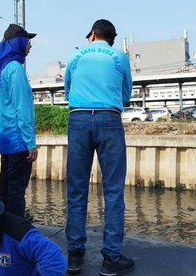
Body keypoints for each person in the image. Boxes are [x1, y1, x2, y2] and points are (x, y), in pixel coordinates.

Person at [64, 19, 134, 275]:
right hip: (109, 119)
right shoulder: (120, 57)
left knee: (76, 189)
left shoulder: (74, 56)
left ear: (92, 34)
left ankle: (74, 256)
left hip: (79, 118)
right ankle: (111, 259)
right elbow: (126, 94)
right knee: (113, 191)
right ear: (111, 38)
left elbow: (67, 91)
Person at [0, 24, 38, 217]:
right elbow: (22, 109)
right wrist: (31, 143)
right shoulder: (15, 69)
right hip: (18, 139)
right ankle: (15, 234)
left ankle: (1, 228)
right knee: (17, 191)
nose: (30, 46)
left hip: (5, 139)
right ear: (19, 42)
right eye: (28, 41)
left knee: (5, 187)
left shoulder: (1, 68)